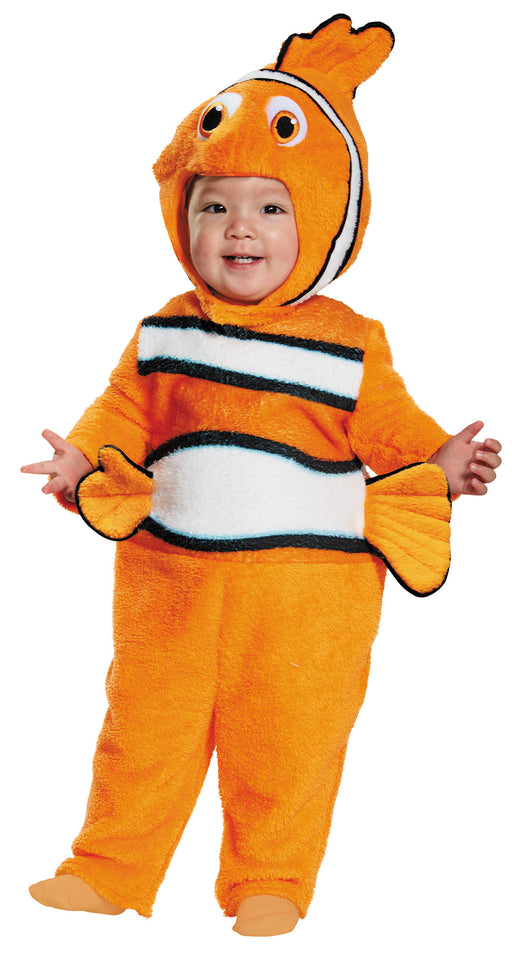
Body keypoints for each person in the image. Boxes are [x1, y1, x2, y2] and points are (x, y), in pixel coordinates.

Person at [20, 15, 501, 938]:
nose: (240, 227)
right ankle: (110, 866)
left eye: (272, 208)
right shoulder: (162, 332)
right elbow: (122, 412)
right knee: (142, 730)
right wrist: (82, 458)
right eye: (214, 206)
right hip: (170, 582)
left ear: (327, 218)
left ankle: (270, 877)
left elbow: (392, 428)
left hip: (306, 598)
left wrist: (442, 464)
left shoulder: (351, 344)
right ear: (182, 218)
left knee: (290, 738)